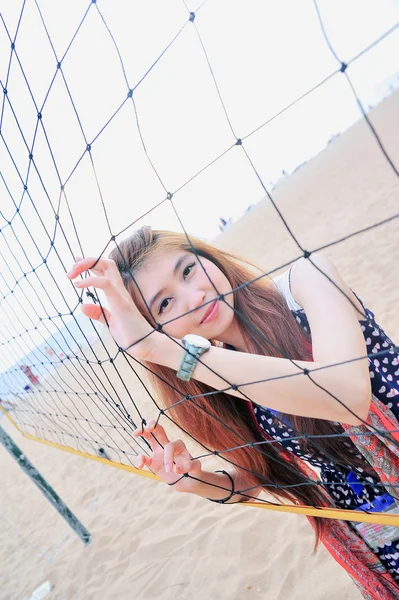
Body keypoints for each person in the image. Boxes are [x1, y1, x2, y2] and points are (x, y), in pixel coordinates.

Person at [67, 227, 399, 599]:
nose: (194, 297)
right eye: (164, 304)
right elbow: (261, 476)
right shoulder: (214, 373)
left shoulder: (307, 281)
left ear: (206, 255)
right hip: (374, 527)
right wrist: (195, 480)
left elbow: (347, 396)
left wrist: (163, 351)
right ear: (156, 327)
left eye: (188, 270)